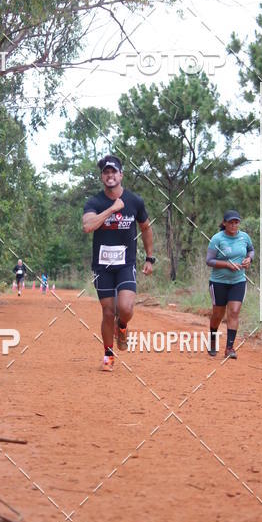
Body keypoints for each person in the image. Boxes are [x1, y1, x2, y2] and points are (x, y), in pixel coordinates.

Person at [83, 155, 154, 372]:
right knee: (107, 311)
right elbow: (88, 226)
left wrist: (150, 257)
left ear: (121, 175)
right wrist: (112, 209)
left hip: (126, 263)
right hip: (102, 266)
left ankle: (121, 326)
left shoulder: (135, 201)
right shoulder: (94, 202)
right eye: (106, 172)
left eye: (114, 172)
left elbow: (145, 227)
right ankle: (108, 355)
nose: (110, 175)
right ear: (102, 177)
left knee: (125, 308)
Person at [206, 210, 254, 359]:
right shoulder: (217, 239)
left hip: (238, 281)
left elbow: (251, 250)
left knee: (233, 312)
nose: (234, 225)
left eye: (236, 222)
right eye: (231, 222)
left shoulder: (244, 237)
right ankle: (213, 338)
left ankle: (229, 348)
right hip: (218, 282)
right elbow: (209, 261)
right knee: (218, 314)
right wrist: (227, 264)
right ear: (224, 223)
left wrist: (249, 259)